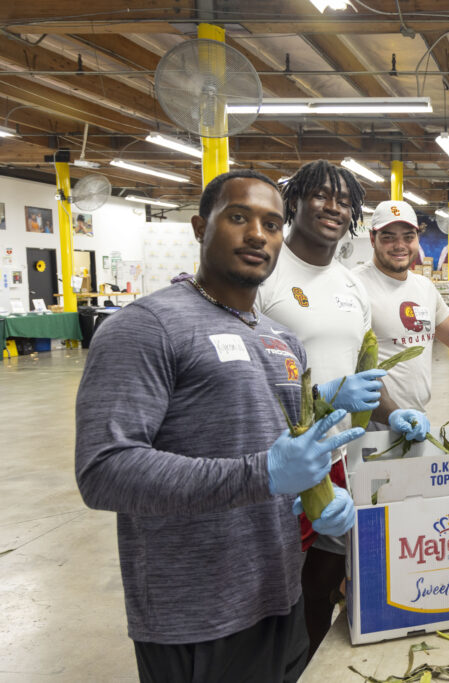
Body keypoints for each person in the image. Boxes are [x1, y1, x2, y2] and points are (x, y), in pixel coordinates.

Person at [75, 169, 367, 683]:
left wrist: (307, 501)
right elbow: (104, 470)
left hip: (279, 593)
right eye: (238, 217)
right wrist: (263, 476)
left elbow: (271, 452)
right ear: (198, 227)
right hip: (195, 613)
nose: (258, 234)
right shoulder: (145, 327)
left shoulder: (281, 341)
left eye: (272, 224)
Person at [255, 160, 429, 659]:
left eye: (344, 199)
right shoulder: (264, 272)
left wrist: (391, 411)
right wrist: (328, 397)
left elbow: (362, 369)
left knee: (324, 582)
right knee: (275, 591)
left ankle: (307, 665)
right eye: (320, 195)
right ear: (294, 203)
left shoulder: (349, 283)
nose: (334, 206)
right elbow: (249, 381)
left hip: (341, 463)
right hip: (280, 461)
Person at [353, 200, 449, 412]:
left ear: (417, 239)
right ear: (372, 238)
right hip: (370, 428)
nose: (400, 245)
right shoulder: (354, 287)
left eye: (408, 237)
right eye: (389, 237)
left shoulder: (424, 287)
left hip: (417, 418)